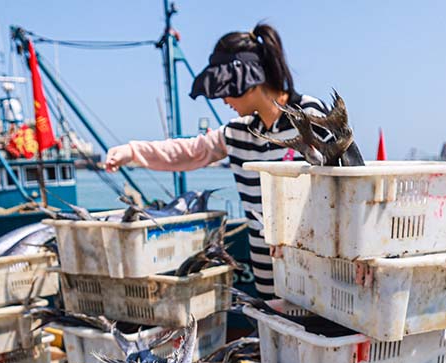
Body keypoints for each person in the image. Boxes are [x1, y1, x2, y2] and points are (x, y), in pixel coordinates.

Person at [104, 23, 363, 296]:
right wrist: (131, 152)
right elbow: (189, 152)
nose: (223, 99)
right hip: (267, 277)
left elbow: (351, 182)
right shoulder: (238, 132)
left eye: (225, 89)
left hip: (319, 276)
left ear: (246, 79)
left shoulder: (310, 114)